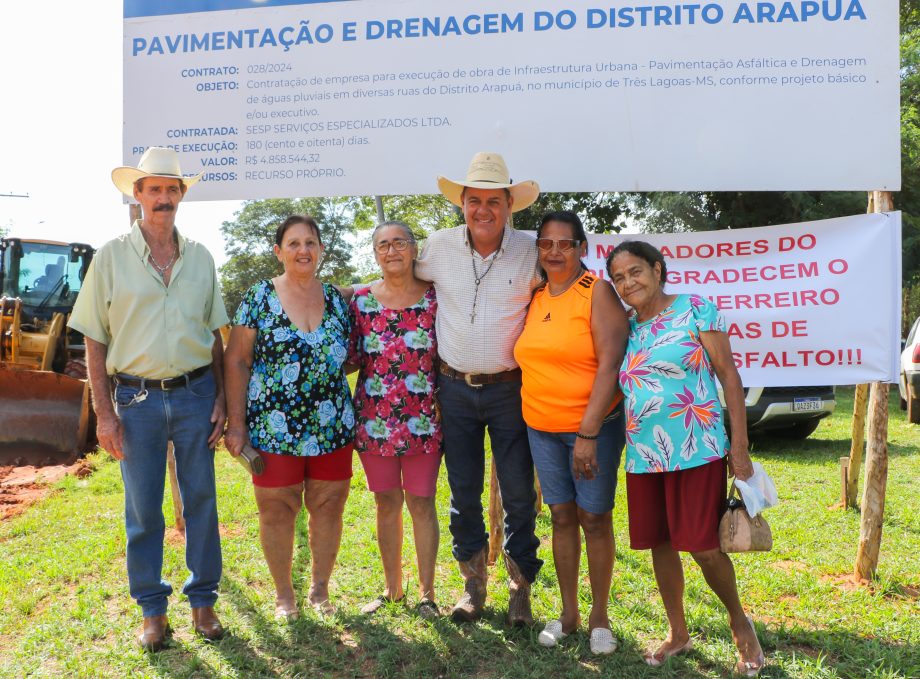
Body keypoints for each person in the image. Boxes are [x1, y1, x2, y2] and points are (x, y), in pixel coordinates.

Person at [68, 147, 228, 651]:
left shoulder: (200, 257)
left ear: (182, 196)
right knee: (144, 510)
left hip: (196, 394)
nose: (163, 198)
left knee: (201, 498)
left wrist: (222, 398)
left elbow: (216, 335)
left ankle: (203, 600)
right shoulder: (110, 256)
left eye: (172, 189)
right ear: (136, 195)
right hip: (134, 401)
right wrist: (104, 413)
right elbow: (93, 337)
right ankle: (152, 610)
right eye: (153, 189)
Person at [607, 241, 765, 676]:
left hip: (698, 447)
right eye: (619, 278)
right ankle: (678, 632)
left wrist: (740, 445)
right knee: (659, 542)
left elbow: (728, 375)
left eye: (635, 271)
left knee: (703, 545)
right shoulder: (626, 327)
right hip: (643, 452)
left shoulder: (697, 308)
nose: (627, 283)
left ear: (658, 270)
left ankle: (739, 620)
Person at [415, 151, 542, 625]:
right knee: (463, 491)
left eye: (494, 200)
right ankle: (473, 588)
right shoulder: (439, 247)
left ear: (510, 205)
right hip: (453, 390)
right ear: (462, 203)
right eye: (474, 200)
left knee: (518, 494)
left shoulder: (532, 250)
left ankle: (520, 590)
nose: (483, 209)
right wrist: (344, 294)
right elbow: (399, 279)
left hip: (511, 390)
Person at [223, 215, 355, 621]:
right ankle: (284, 595)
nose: (303, 250)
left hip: (332, 427)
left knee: (329, 506)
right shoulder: (258, 298)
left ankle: (319, 590)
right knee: (277, 509)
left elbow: (347, 358)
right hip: (272, 428)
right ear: (278, 251)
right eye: (293, 243)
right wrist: (238, 424)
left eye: (310, 242)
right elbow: (238, 360)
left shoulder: (337, 300)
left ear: (320, 250)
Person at [514, 211, 628, 654]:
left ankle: (600, 617)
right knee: (561, 517)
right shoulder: (537, 295)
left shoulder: (597, 291)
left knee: (594, 518)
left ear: (583, 248)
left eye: (566, 243)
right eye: (546, 244)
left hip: (592, 430)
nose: (555, 252)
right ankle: (568, 614)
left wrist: (588, 431)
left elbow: (612, 364)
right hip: (541, 428)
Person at [348, 221, 442, 619]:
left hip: (425, 418)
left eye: (399, 242)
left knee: (422, 502)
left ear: (414, 249)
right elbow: (350, 356)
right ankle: (392, 589)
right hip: (375, 420)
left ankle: (426, 593)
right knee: (386, 502)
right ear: (375, 254)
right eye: (383, 245)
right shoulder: (361, 301)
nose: (391, 251)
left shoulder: (436, 298)